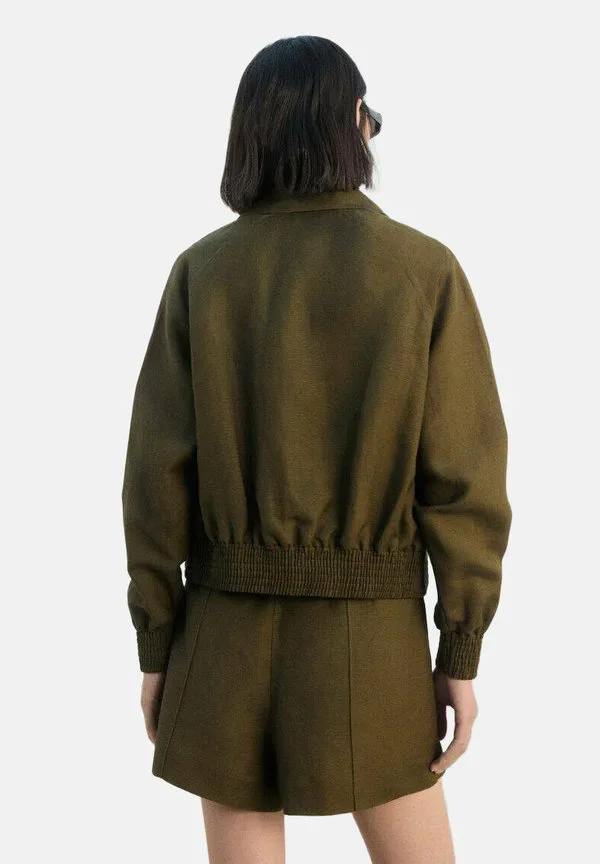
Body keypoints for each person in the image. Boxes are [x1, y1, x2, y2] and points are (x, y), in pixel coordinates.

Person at [121, 34, 512, 864]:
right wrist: (461, 647)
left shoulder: (202, 273)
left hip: (221, 636)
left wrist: (157, 642)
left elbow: (155, 480)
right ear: (354, 120)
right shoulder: (422, 271)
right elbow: (465, 483)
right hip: (371, 643)